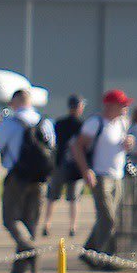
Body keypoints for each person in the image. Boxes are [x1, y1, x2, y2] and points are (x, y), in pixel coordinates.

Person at [0, 87, 54, 273]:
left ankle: (30, 249)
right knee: (32, 221)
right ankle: (22, 267)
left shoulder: (10, 123)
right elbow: (52, 147)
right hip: (40, 177)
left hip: (17, 176)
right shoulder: (45, 122)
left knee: (10, 218)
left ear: (15, 102)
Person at [76, 89, 133, 269]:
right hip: (100, 176)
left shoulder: (123, 123)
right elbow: (77, 147)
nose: (125, 107)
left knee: (108, 218)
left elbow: (122, 146)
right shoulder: (95, 123)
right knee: (108, 218)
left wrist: (130, 143)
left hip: (117, 176)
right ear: (110, 106)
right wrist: (86, 171)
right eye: (121, 104)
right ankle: (106, 258)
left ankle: (89, 251)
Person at [43, 95, 85, 237]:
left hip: (59, 163)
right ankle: (72, 226)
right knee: (74, 199)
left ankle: (47, 224)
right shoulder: (81, 125)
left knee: (51, 197)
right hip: (75, 166)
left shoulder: (59, 123)